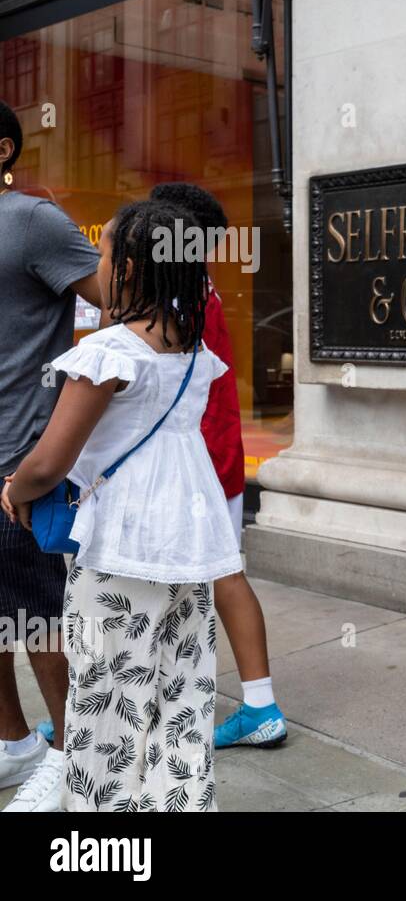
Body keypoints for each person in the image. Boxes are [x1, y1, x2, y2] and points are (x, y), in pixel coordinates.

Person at [2, 200, 242, 811]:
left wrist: (15, 488)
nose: (97, 265)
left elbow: (51, 460)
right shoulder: (190, 344)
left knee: (107, 698)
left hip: (125, 544)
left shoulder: (108, 351)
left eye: (104, 253)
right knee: (181, 692)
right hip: (190, 540)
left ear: (130, 268)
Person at [149, 182, 287, 749]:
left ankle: (160, 708)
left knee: (178, 583)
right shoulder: (195, 285)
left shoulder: (172, 294)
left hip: (192, 461)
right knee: (220, 577)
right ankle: (258, 705)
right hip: (215, 455)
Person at [0, 99, 103, 811]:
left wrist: (64, 425)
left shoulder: (33, 220)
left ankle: (76, 761)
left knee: (38, 617)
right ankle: (15, 744)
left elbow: (118, 307)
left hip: (18, 456)